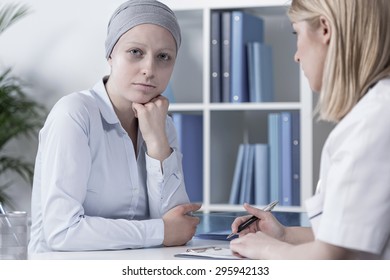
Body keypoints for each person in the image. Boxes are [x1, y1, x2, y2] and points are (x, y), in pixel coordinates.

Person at [28, 0, 201, 253]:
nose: (149, 70)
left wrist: (157, 144)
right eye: (135, 52)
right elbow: (62, 232)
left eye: (163, 57)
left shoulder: (162, 124)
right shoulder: (74, 114)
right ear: (110, 54)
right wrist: (160, 230)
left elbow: (178, 225)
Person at [230, 0, 390, 259]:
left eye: (297, 33)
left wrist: (267, 250)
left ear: (325, 29)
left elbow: (334, 259)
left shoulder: (372, 122)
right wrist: (283, 236)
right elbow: (347, 236)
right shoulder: (375, 110)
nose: (296, 55)